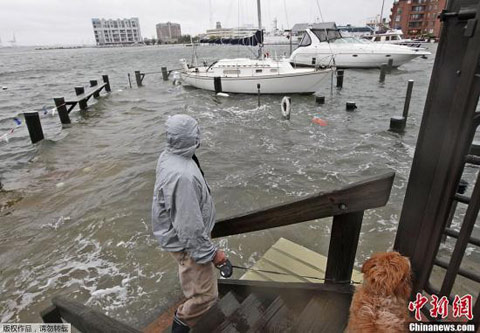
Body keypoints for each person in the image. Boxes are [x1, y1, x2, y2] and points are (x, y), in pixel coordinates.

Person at [151, 114, 227, 333]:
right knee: (206, 296)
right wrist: (213, 255)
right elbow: (190, 230)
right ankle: (181, 324)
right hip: (188, 245)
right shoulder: (183, 176)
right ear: (191, 138)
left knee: (198, 287)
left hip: (180, 238)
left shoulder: (168, 155)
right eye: (197, 132)